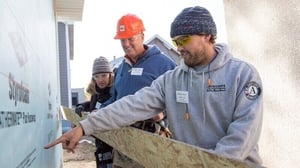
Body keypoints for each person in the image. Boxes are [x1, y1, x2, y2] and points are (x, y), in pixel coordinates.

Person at [45, 6, 263, 166]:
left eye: (184, 40)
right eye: (175, 41)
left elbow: (243, 133)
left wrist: (211, 163)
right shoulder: (172, 79)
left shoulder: (242, 75)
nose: (178, 48)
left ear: (207, 35)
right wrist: (85, 127)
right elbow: (130, 105)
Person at [100, 13, 176, 168]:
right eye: (122, 40)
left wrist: (164, 116)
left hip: (152, 143)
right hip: (122, 142)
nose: (126, 44)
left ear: (142, 36)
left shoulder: (165, 65)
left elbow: (181, 100)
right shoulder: (121, 69)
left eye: (131, 38)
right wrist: (99, 111)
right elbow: (114, 98)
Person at [74, 56, 114, 168]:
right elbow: (92, 104)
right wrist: (82, 106)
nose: (100, 80)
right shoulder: (95, 94)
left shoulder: (114, 92)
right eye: (97, 76)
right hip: (100, 143)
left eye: (104, 75)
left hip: (113, 145)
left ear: (110, 75)